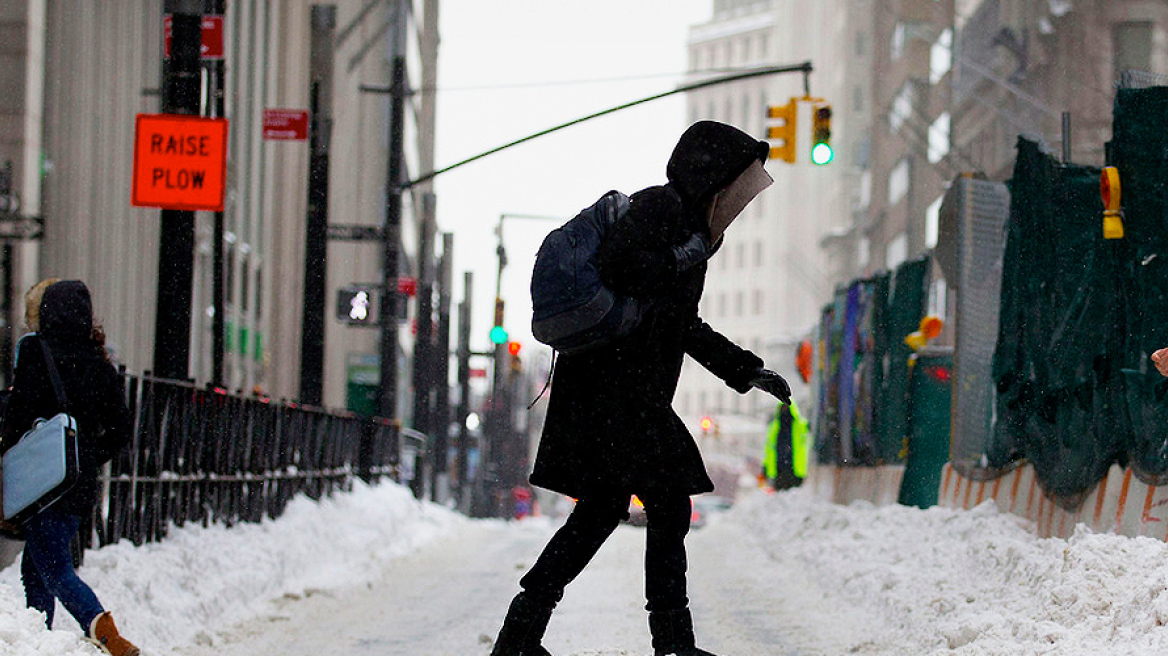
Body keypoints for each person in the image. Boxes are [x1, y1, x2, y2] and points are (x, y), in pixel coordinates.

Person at [489, 121, 791, 656]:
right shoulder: (659, 212)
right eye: (736, 187)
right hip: (611, 392)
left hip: (627, 396)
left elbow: (683, 324)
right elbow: (623, 267)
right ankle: (668, 642)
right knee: (660, 504)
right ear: (710, 180)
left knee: (607, 510)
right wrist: (682, 257)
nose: (739, 201)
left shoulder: (692, 234)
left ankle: (524, 631)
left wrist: (745, 370)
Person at [0, 281, 139, 656]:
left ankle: (105, 632)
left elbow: (18, 413)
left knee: (55, 569)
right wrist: (85, 456)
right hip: (77, 481)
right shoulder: (100, 362)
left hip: (40, 478)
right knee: (36, 568)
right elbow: (121, 430)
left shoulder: (35, 350)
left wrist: (11, 456)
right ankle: (37, 639)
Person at [762, 398, 809, 491]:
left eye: (787, 407)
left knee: (793, 496)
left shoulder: (801, 426)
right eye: (783, 408)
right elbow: (768, 450)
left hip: (794, 469)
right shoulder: (774, 427)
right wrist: (766, 468)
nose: (785, 411)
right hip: (779, 469)